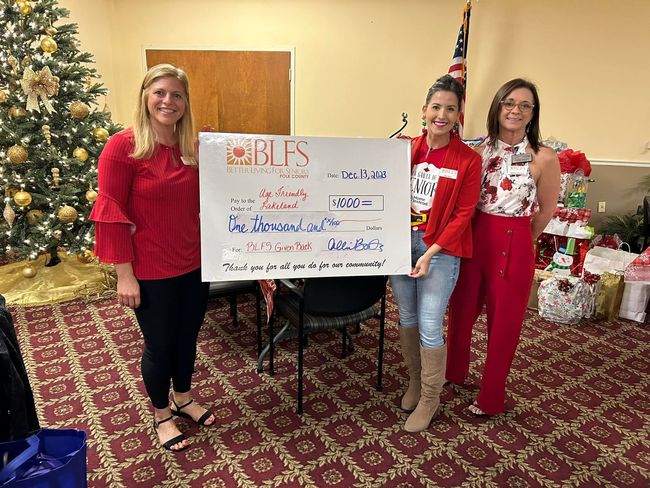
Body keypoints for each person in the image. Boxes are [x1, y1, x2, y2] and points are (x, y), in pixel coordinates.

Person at [90, 64, 214, 451]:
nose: (168, 101)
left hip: (195, 262)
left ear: (185, 103)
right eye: (160, 92)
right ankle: (162, 413)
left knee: (187, 337)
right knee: (160, 344)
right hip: (150, 269)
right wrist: (124, 276)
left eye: (177, 94)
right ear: (146, 96)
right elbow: (111, 213)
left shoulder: (194, 147)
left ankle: (184, 398)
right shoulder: (122, 147)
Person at [446, 78, 561, 416]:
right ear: (497, 107)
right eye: (509, 103)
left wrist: (524, 238)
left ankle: (490, 398)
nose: (516, 110)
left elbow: (547, 209)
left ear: (532, 114)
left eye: (525, 105)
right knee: (461, 310)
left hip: (515, 243)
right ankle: (454, 373)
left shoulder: (544, 156)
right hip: (474, 237)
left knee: (505, 324)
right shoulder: (478, 151)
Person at [390, 74, 482, 432]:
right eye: (436, 107)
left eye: (450, 108)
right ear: (424, 111)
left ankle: (430, 398)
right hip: (401, 243)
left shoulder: (468, 160)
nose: (441, 114)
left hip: (439, 249)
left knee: (430, 323)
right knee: (408, 317)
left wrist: (431, 253)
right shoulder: (406, 149)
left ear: (459, 115)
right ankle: (416, 381)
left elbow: (464, 214)